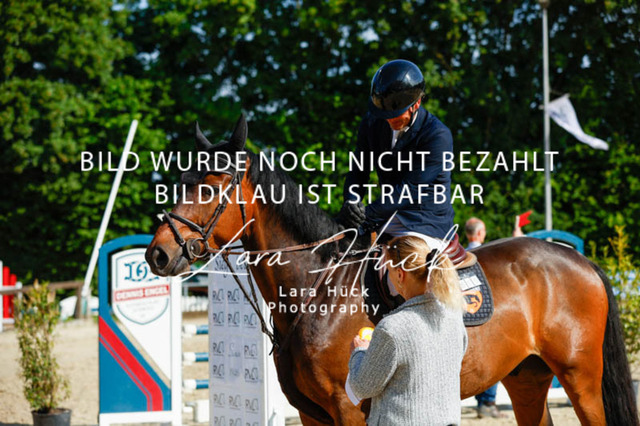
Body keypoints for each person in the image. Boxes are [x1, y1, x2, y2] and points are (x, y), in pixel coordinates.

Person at [348, 236, 467, 425]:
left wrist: (359, 352)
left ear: (400, 274)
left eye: (388, 271)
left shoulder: (391, 327)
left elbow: (363, 387)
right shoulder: (454, 315)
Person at [337, 59, 455, 251]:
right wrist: (351, 202)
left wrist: (365, 215)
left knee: (406, 260)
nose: (389, 120)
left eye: (395, 115)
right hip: (385, 217)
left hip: (423, 222)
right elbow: (359, 170)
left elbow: (408, 189)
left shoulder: (437, 136)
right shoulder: (372, 122)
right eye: (384, 115)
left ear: (416, 104)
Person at [464, 217, 506, 419]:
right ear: (480, 233)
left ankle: (483, 402)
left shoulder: (461, 254)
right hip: (486, 312)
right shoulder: (488, 256)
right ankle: (488, 402)